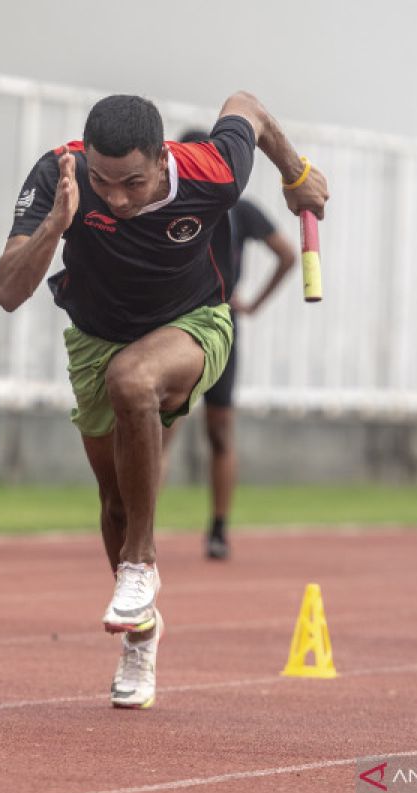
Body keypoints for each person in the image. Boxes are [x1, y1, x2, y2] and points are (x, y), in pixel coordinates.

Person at [0, 92, 328, 709]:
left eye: (133, 183)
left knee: (134, 380)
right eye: (103, 180)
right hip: (96, 337)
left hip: (194, 325)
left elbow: (247, 108)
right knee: (115, 501)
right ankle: (141, 636)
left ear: (162, 157)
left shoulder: (212, 170)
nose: (116, 198)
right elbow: (9, 291)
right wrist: (56, 223)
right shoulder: (58, 175)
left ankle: (142, 565)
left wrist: (296, 173)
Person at [160, 129, 298, 561]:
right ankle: (139, 527)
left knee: (218, 431)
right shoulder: (164, 208)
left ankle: (218, 528)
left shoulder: (239, 209)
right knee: (162, 428)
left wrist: (253, 304)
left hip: (221, 325)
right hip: (174, 326)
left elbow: (288, 255)